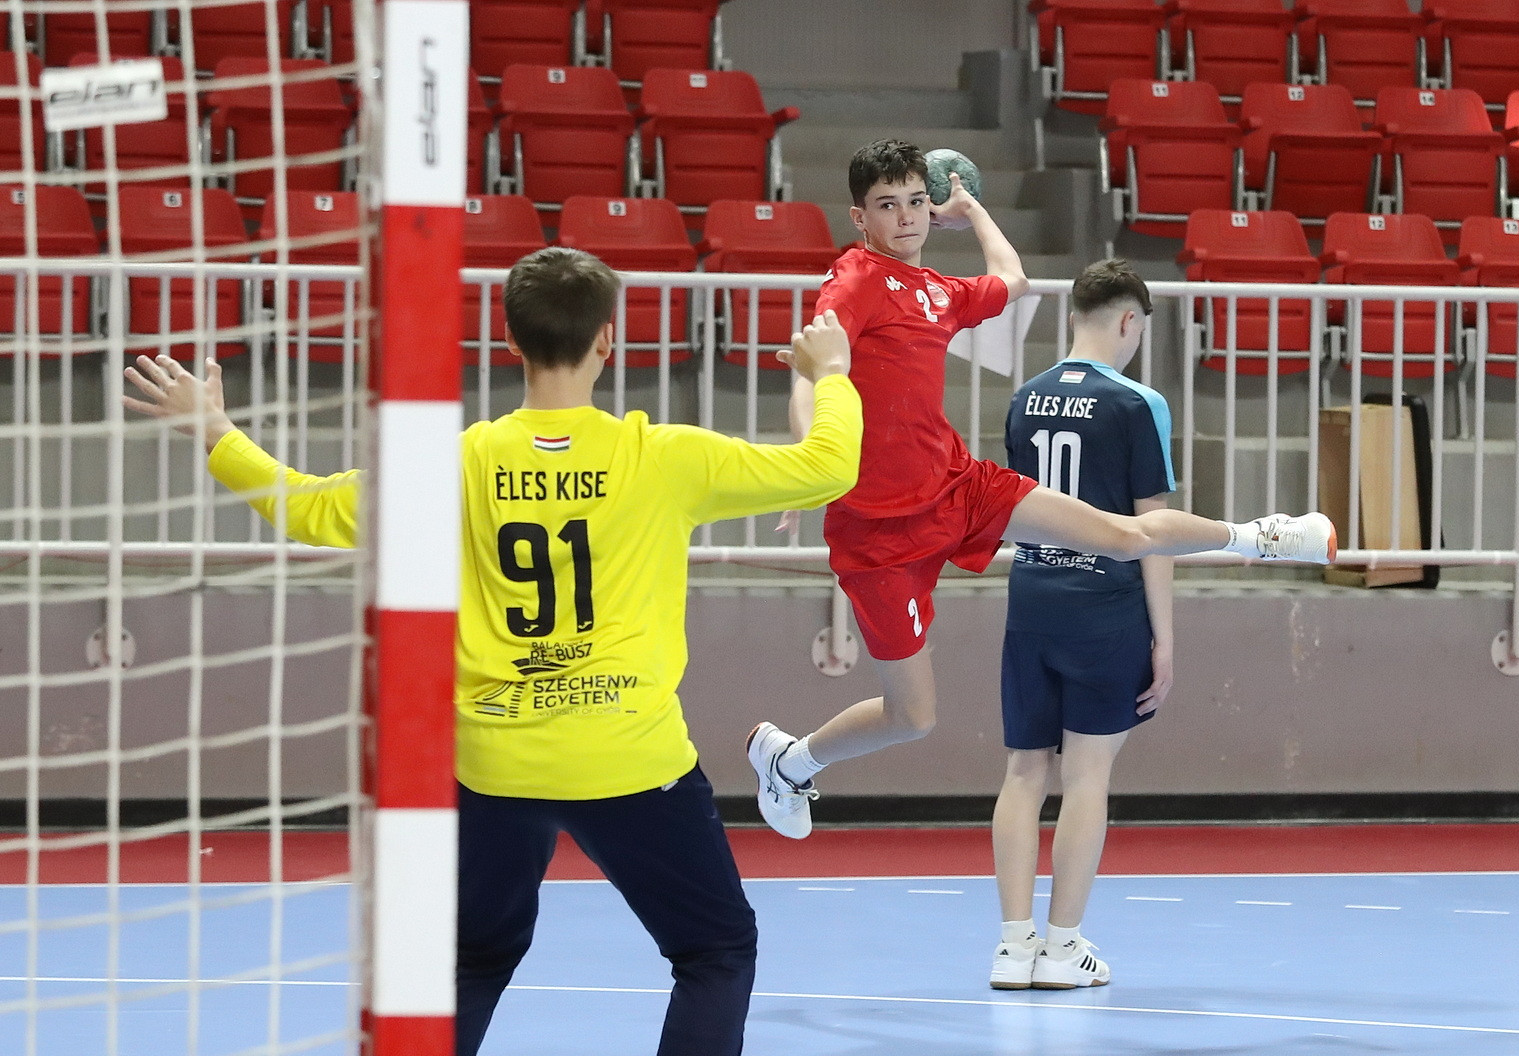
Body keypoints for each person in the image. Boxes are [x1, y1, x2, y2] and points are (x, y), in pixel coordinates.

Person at [122, 247, 864, 1056]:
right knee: (715, 951)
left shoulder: (461, 462)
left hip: (494, 757)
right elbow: (830, 468)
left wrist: (216, 430)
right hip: (627, 755)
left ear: (508, 341)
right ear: (608, 339)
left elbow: (307, 509)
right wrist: (831, 373)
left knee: (472, 958)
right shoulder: (666, 457)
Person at [747, 139, 1335, 842]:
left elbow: (1013, 279)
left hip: (957, 487)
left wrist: (970, 210)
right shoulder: (854, 279)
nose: (905, 218)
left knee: (1120, 534)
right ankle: (790, 762)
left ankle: (1262, 536)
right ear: (859, 218)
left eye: (915, 202)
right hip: (877, 534)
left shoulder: (937, 291)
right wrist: (810, 458)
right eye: (887, 205)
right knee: (914, 717)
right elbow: (811, 370)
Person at [988, 258, 1172, 992]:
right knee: (1088, 773)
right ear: (1129, 321)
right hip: (1105, 604)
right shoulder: (1138, 404)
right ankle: (1063, 947)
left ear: (1073, 315)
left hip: (1032, 596)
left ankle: (1013, 947)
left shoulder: (1023, 399)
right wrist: (1165, 637)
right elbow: (1152, 531)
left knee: (1023, 771)